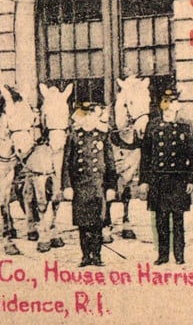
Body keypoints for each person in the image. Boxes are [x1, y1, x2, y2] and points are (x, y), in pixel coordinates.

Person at [139, 88, 193, 265]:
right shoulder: (153, 126)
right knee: (161, 219)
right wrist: (144, 180)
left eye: (173, 102)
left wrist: (192, 180)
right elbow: (146, 156)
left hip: (178, 179)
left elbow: (192, 156)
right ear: (161, 105)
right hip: (158, 179)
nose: (170, 106)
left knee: (178, 219)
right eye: (166, 102)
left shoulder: (185, 127)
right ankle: (163, 255)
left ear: (177, 105)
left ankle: (179, 255)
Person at [63, 101, 118, 267]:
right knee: (83, 223)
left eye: (91, 114)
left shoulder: (102, 136)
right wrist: (67, 186)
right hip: (80, 187)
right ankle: (85, 256)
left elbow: (110, 164)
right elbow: (66, 164)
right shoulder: (74, 136)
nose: (88, 118)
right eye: (84, 115)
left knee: (97, 224)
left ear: (96, 116)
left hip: (98, 187)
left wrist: (111, 187)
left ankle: (97, 255)